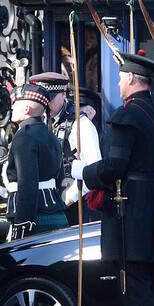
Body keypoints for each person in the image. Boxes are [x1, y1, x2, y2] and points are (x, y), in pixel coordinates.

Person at [74, 51, 154, 306]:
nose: (117, 82)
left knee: (135, 289)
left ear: (133, 79)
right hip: (151, 207)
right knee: (137, 286)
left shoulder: (127, 116)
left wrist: (84, 172)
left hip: (129, 208)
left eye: (120, 77)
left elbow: (115, 166)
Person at [6, 83, 68, 239]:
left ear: (27, 109)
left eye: (15, 104)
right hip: (56, 213)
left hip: (35, 218)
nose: (12, 108)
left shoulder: (24, 136)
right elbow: (59, 178)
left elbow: (27, 183)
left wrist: (23, 223)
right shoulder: (51, 135)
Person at [61, 87, 103, 219]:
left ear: (91, 111)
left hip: (85, 203)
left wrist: (69, 197)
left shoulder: (87, 128)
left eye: (81, 109)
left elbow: (93, 170)